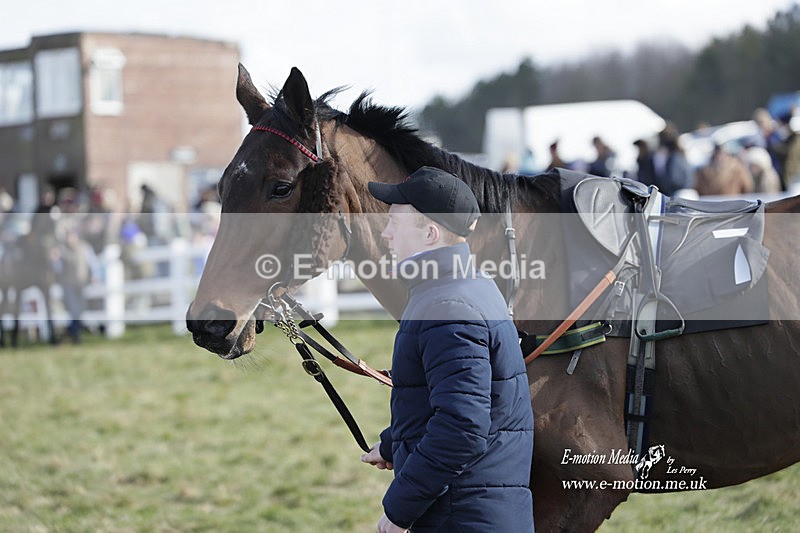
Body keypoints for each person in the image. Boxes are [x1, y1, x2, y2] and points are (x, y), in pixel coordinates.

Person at [361, 166, 534, 532]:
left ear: (430, 233)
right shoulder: (464, 285)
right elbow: (452, 400)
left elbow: (461, 428)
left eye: (394, 222)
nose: (385, 233)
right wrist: (393, 445)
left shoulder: (446, 307)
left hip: (463, 517)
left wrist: (398, 512)